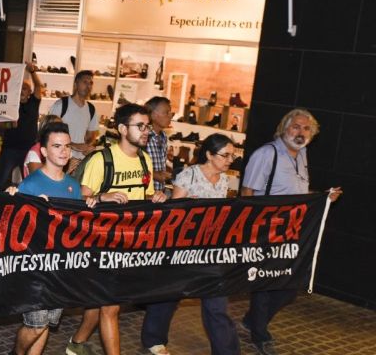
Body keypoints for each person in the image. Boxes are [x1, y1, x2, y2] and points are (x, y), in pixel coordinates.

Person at [239, 108, 342, 355]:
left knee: (288, 286)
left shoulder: (302, 154)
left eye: (306, 128)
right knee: (266, 282)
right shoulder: (267, 153)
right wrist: (251, 230)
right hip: (266, 229)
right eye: (295, 126)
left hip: (293, 230)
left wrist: (323, 197)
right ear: (284, 127)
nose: (300, 132)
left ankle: (252, 320)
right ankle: (260, 334)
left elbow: (296, 193)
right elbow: (247, 192)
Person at [67, 103, 167, 355]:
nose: (146, 131)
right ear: (122, 128)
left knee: (98, 303)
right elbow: (80, 198)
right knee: (111, 306)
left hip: (133, 243)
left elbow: (147, 195)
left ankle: (76, 343)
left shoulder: (145, 160)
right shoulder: (102, 159)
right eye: (140, 126)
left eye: (147, 126)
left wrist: (158, 197)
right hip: (102, 243)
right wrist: (103, 196)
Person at [141, 133, 241, 355]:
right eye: (225, 155)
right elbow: (175, 214)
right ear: (208, 154)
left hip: (211, 250)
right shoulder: (189, 176)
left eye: (232, 156)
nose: (230, 160)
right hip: (184, 249)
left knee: (217, 303)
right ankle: (154, 339)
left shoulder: (225, 180)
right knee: (169, 295)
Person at [12, 122, 81, 355]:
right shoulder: (30, 185)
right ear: (43, 151)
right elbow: (16, 230)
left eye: (67, 146)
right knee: (37, 324)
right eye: (57, 146)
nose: (64, 151)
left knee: (48, 324)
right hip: (36, 267)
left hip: (61, 267)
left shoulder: (74, 186)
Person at [0, 62, 43, 189]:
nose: (22, 91)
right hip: (10, 148)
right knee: (1, 180)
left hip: (28, 149)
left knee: (30, 181)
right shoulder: (10, 104)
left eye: (25, 88)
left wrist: (32, 71)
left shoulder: (34, 103)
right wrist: (9, 125)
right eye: (20, 88)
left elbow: (39, 86)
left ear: (29, 92)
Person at [48, 70, 99, 165]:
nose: (88, 86)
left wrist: (88, 146)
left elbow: (91, 135)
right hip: (61, 158)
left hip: (81, 161)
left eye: (90, 83)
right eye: (84, 82)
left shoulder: (91, 109)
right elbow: (48, 132)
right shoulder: (61, 105)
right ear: (75, 84)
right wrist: (74, 145)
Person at [145, 97, 173, 194]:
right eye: (166, 112)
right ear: (152, 115)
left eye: (170, 113)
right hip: (145, 193)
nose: (170, 116)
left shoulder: (163, 136)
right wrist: (155, 174)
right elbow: (131, 165)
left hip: (159, 192)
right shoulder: (143, 136)